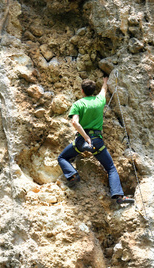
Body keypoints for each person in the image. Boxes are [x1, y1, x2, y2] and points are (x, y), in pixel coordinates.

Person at [58, 74, 135, 204]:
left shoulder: (78, 104)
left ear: (82, 91)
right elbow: (103, 90)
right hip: (97, 141)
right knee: (110, 168)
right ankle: (119, 196)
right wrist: (105, 81)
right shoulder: (99, 100)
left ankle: (73, 175)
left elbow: (75, 123)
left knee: (62, 157)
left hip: (82, 141)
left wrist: (86, 137)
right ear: (94, 91)